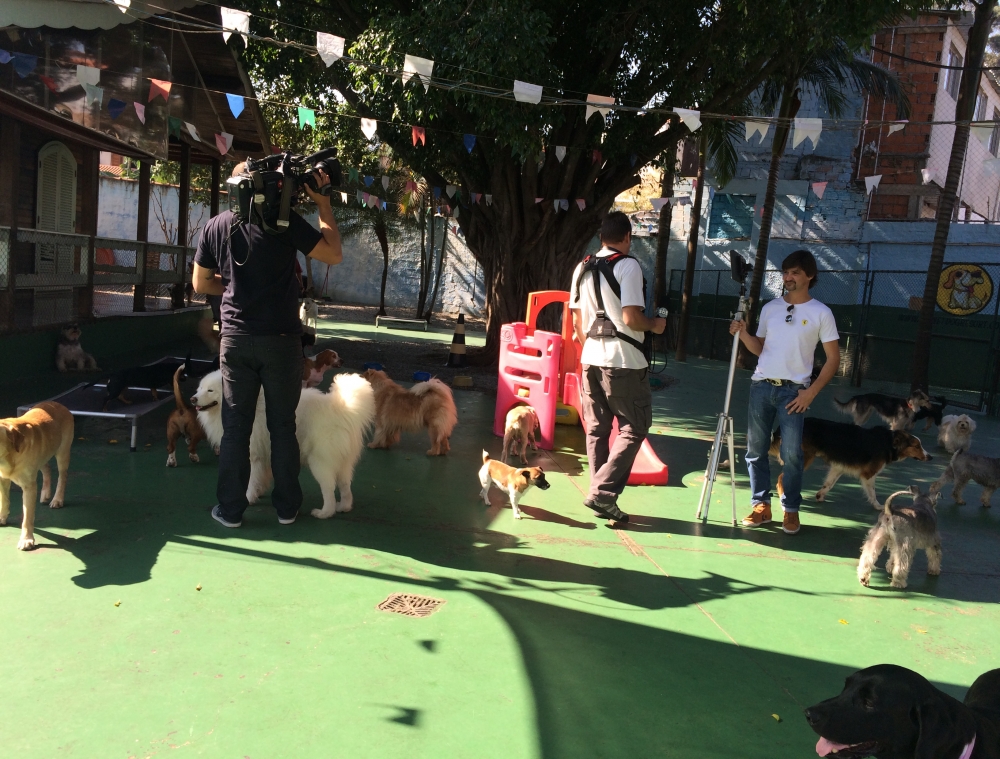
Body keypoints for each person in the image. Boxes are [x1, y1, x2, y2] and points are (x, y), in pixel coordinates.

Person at [192, 163, 343, 528]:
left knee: (236, 427)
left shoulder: (216, 225)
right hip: (281, 343)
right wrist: (323, 203)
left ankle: (230, 511)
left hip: (237, 343)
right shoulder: (284, 221)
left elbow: (200, 283)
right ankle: (287, 508)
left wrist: (230, 288)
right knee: (282, 426)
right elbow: (333, 254)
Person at [729, 249, 840, 535]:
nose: (788, 277)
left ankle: (790, 510)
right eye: (786, 272)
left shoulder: (821, 313)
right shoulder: (770, 308)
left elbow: (833, 360)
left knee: (792, 455)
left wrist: (810, 393)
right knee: (755, 451)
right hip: (761, 386)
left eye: (795, 273)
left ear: (810, 276)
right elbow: (759, 348)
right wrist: (742, 334)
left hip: (794, 393)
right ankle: (760, 506)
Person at [569, 211, 666, 524]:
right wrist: (656, 325)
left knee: (597, 429)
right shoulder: (629, 265)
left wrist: (592, 348)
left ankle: (601, 494)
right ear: (627, 237)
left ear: (601, 237)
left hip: (590, 356)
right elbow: (631, 318)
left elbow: (575, 320)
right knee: (635, 425)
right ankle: (602, 493)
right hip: (624, 361)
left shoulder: (581, 267)